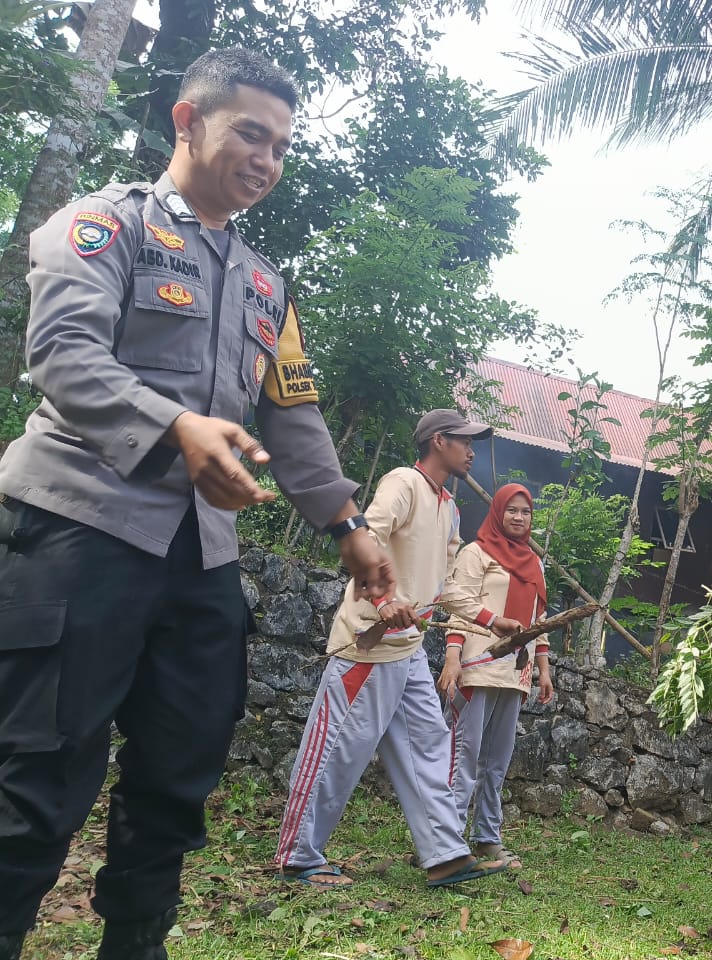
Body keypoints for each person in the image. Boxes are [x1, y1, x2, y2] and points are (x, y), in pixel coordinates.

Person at [0, 49, 396, 960]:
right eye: (251, 134)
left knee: (178, 778)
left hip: (201, 559)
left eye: (281, 146)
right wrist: (175, 427)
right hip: (78, 530)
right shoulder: (105, 225)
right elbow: (62, 351)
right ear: (188, 121)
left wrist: (347, 526)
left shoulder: (265, 284)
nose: (267, 159)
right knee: (36, 776)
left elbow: (293, 416)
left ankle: (136, 946)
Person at [275, 409, 512, 888]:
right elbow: (366, 537)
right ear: (439, 441)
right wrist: (383, 601)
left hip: (409, 650)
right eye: (464, 441)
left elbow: (447, 585)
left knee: (429, 744)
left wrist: (490, 620)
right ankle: (298, 857)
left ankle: (444, 854)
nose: (471, 451)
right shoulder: (403, 482)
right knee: (337, 750)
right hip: (367, 645)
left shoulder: (449, 506)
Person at [438, 483, 553, 867]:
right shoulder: (476, 552)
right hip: (476, 666)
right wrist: (452, 657)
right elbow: (459, 607)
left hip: (514, 674)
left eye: (526, 511)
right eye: (512, 510)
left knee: (497, 762)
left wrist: (543, 669)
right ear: (498, 512)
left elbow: (538, 621)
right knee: (462, 756)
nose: (519, 517)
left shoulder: (534, 562)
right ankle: (447, 840)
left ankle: (487, 837)